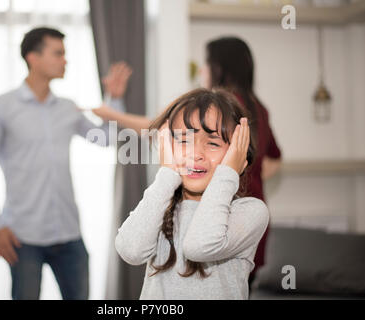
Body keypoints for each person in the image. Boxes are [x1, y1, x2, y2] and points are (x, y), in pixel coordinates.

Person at [0, 27, 132, 300]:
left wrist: (114, 99)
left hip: (69, 235)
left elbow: (105, 139)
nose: (65, 60)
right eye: (58, 53)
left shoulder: (67, 108)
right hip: (23, 237)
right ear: (33, 58)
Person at [114, 88, 269, 299]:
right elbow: (130, 250)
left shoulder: (250, 212)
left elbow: (200, 246)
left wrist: (228, 173)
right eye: (183, 140)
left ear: (237, 155)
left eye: (213, 143)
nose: (196, 154)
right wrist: (167, 174)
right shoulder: (159, 206)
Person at [202, 37, 282, 285]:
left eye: (206, 63)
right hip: (255, 217)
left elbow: (166, 126)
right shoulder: (259, 107)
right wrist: (249, 173)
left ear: (219, 68)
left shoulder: (220, 106)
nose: (202, 70)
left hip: (226, 218)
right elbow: (274, 160)